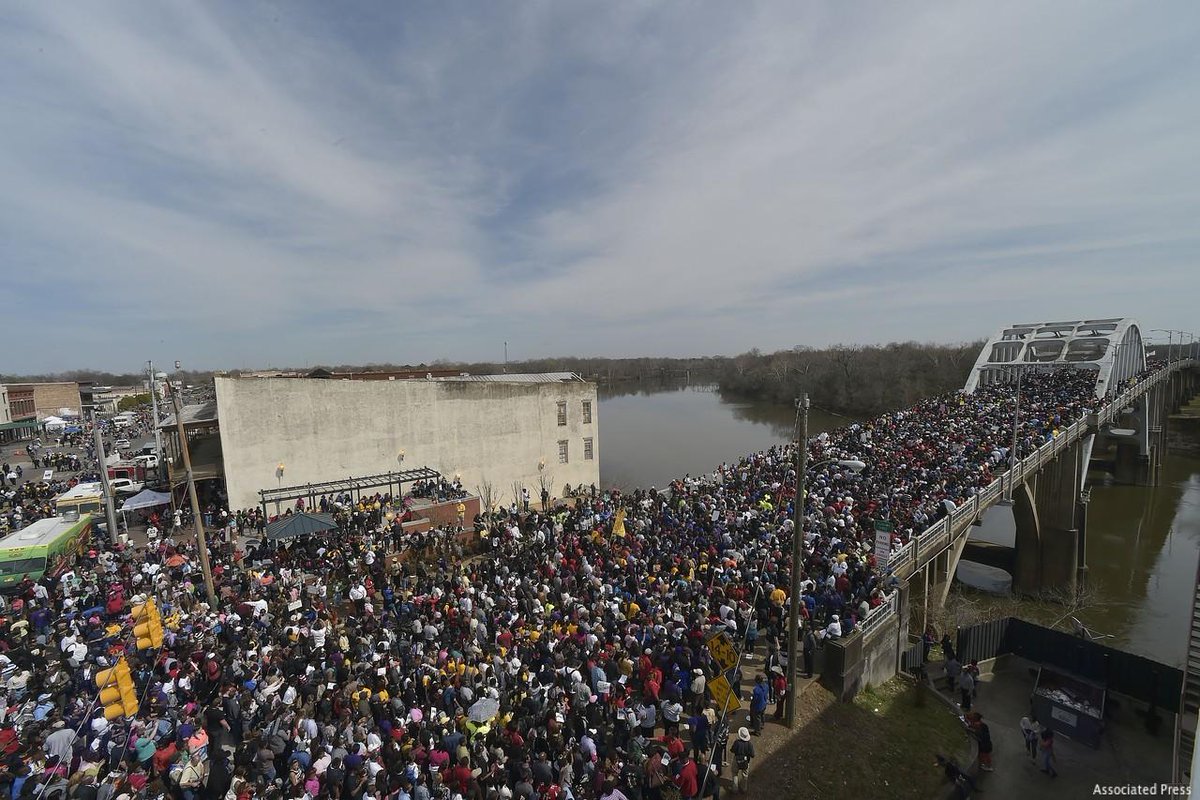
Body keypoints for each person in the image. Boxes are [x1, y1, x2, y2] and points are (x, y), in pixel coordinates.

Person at [730, 728, 754, 793]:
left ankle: (735, 788)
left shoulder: (737, 742)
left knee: (735, 773)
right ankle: (744, 788)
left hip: (737, 760)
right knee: (745, 775)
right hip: (746, 761)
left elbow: (732, 750)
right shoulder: (749, 744)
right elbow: (752, 755)